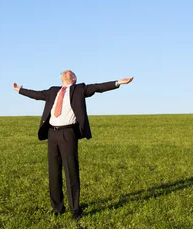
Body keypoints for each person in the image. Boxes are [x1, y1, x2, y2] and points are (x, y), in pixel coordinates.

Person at [13, 70, 134, 220]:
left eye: (69, 72)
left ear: (74, 78)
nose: (65, 73)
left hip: (68, 133)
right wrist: (20, 90)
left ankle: (75, 209)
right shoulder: (52, 91)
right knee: (53, 171)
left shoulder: (80, 89)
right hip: (52, 134)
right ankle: (57, 208)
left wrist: (118, 83)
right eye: (63, 72)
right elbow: (37, 95)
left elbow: (98, 87)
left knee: (71, 171)